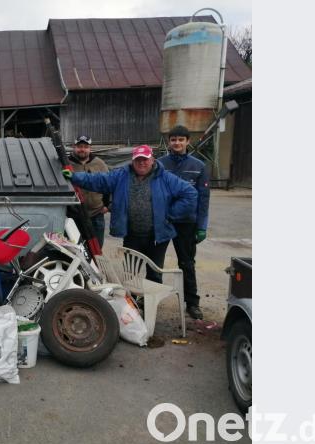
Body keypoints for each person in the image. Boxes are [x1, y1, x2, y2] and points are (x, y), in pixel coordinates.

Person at [66, 145, 197, 283]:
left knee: (154, 273)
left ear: (152, 159)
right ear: (132, 161)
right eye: (138, 160)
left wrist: (170, 214)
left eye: (145, 159)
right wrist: (74, 177)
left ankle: (149, 302)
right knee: (130, 273)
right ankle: (133, 302)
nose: (141, 163)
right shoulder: (121, 175)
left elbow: (190, 194)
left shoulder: (165, 177)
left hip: (158, 236)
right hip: (132, 235)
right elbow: (98, 180)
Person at [158, 125, 211, 320]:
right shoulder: (159, 164)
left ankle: (193, 303)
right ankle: (147, 299)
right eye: (174, 140)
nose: (177, 143)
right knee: (155, 262)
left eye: (181, 140)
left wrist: (201, 226)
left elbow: (203, 199)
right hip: (163, 221)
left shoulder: (198, 166)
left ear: (188, 142)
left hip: (187, 224)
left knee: (187, 263)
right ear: (169, 142)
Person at [68, 134, 110, 248]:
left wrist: (108, 205)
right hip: (74, 216)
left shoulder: (99, 163)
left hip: (96, 215)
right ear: (74, 147)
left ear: (90, 148)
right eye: (79, 146)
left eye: (85, 147)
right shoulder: (66, 164)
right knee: (75, 249)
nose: (82, 149)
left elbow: (109, 185)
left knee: (96, 249)